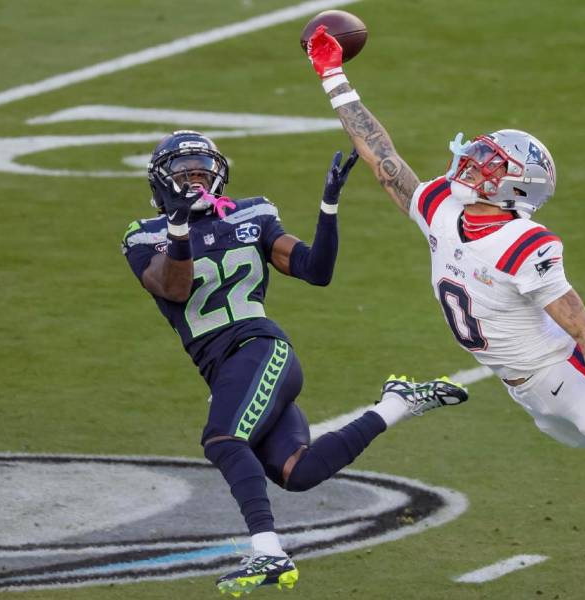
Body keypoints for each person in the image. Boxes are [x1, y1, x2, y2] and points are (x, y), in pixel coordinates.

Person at [305, 29, 585, 495]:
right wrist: (333, 76)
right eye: (481, 153)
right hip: (524, 390)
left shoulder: (523, 244)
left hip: (565, 377)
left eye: (491, 163)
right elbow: (381, 155)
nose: (473, 163)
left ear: (516, 188)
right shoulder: (440, 206)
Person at [121, 130, 468, 595]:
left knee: (223, 440)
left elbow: (315, 271)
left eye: (203, 174)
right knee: (297, 471)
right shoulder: (144, 235)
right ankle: (397, 404)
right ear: (163, 184)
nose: (196, 184)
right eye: (185, 177)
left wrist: (328, 208)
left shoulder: (252, 213)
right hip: (224, 367)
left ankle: (267, 552)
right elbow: (174, 287)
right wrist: (180, 229)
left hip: (259, 347)